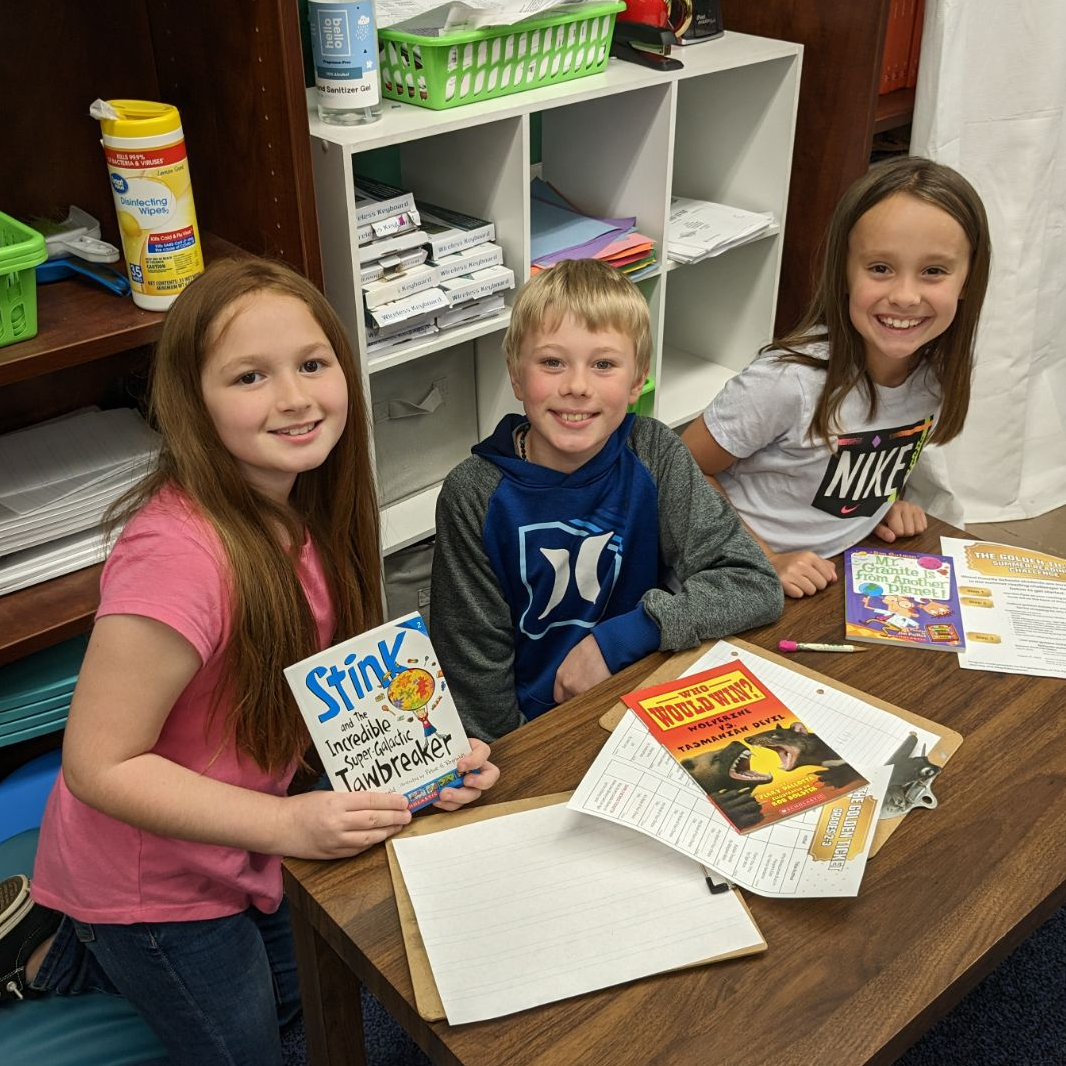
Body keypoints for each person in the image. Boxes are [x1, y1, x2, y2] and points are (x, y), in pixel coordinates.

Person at [0, 258, 499, 1064]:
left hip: (244, 833)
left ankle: (67, 949)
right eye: (250, 376)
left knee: (314, 992)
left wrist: (428, 763)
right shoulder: (178, 558)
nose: (297, 398)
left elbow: (327, 689)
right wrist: (287, 823)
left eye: (312, 363)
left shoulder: (301, 505)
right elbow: (97, 764)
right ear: (191, 403)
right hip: (152, 888)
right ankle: (71, 948)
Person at [430, 258, 783, 743]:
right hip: (534, 734)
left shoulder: (654, 453)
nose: (577, 386)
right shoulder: (473, 495)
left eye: (603, 364)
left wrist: (622, 637)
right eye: (552, 362)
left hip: (645, 702)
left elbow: (753, 583)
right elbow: (476, 683)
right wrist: (516, 762)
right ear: (515, 375)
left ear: (637, 381)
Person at [681, 156, 991, 598]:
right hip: (730, 574)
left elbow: (854, 458)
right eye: (880, 268)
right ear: (844, 271)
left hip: (832, 570)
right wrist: (765, 559)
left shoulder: (935, 372)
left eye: (934, 271)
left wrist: (877, 505)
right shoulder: (787, 381)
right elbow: (680, 471)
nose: (905, 296)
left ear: (967, 280)